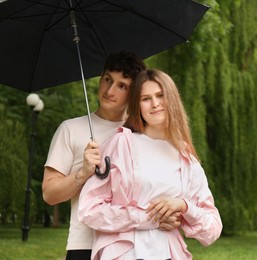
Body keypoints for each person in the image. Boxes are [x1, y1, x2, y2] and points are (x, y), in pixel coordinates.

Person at [42, 53, 180, 260]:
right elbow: (50, 195)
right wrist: (83, 173)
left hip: (134, 246)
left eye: (122, 86)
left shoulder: (145, 134)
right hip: (85, 244)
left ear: (134, 93)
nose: (110, 90)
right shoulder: (71, 129)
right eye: (108, 80)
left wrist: (172, 214)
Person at [78, 69, 223, 260]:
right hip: (125, 254)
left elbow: (212, 229)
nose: (155, 104)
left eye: (160, 96)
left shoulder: (185, 156)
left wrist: (184, 206)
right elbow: (89, 210)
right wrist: (149, 219)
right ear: (137, 105)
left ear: (172, 99)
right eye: (145, 99)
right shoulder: (121, 144)